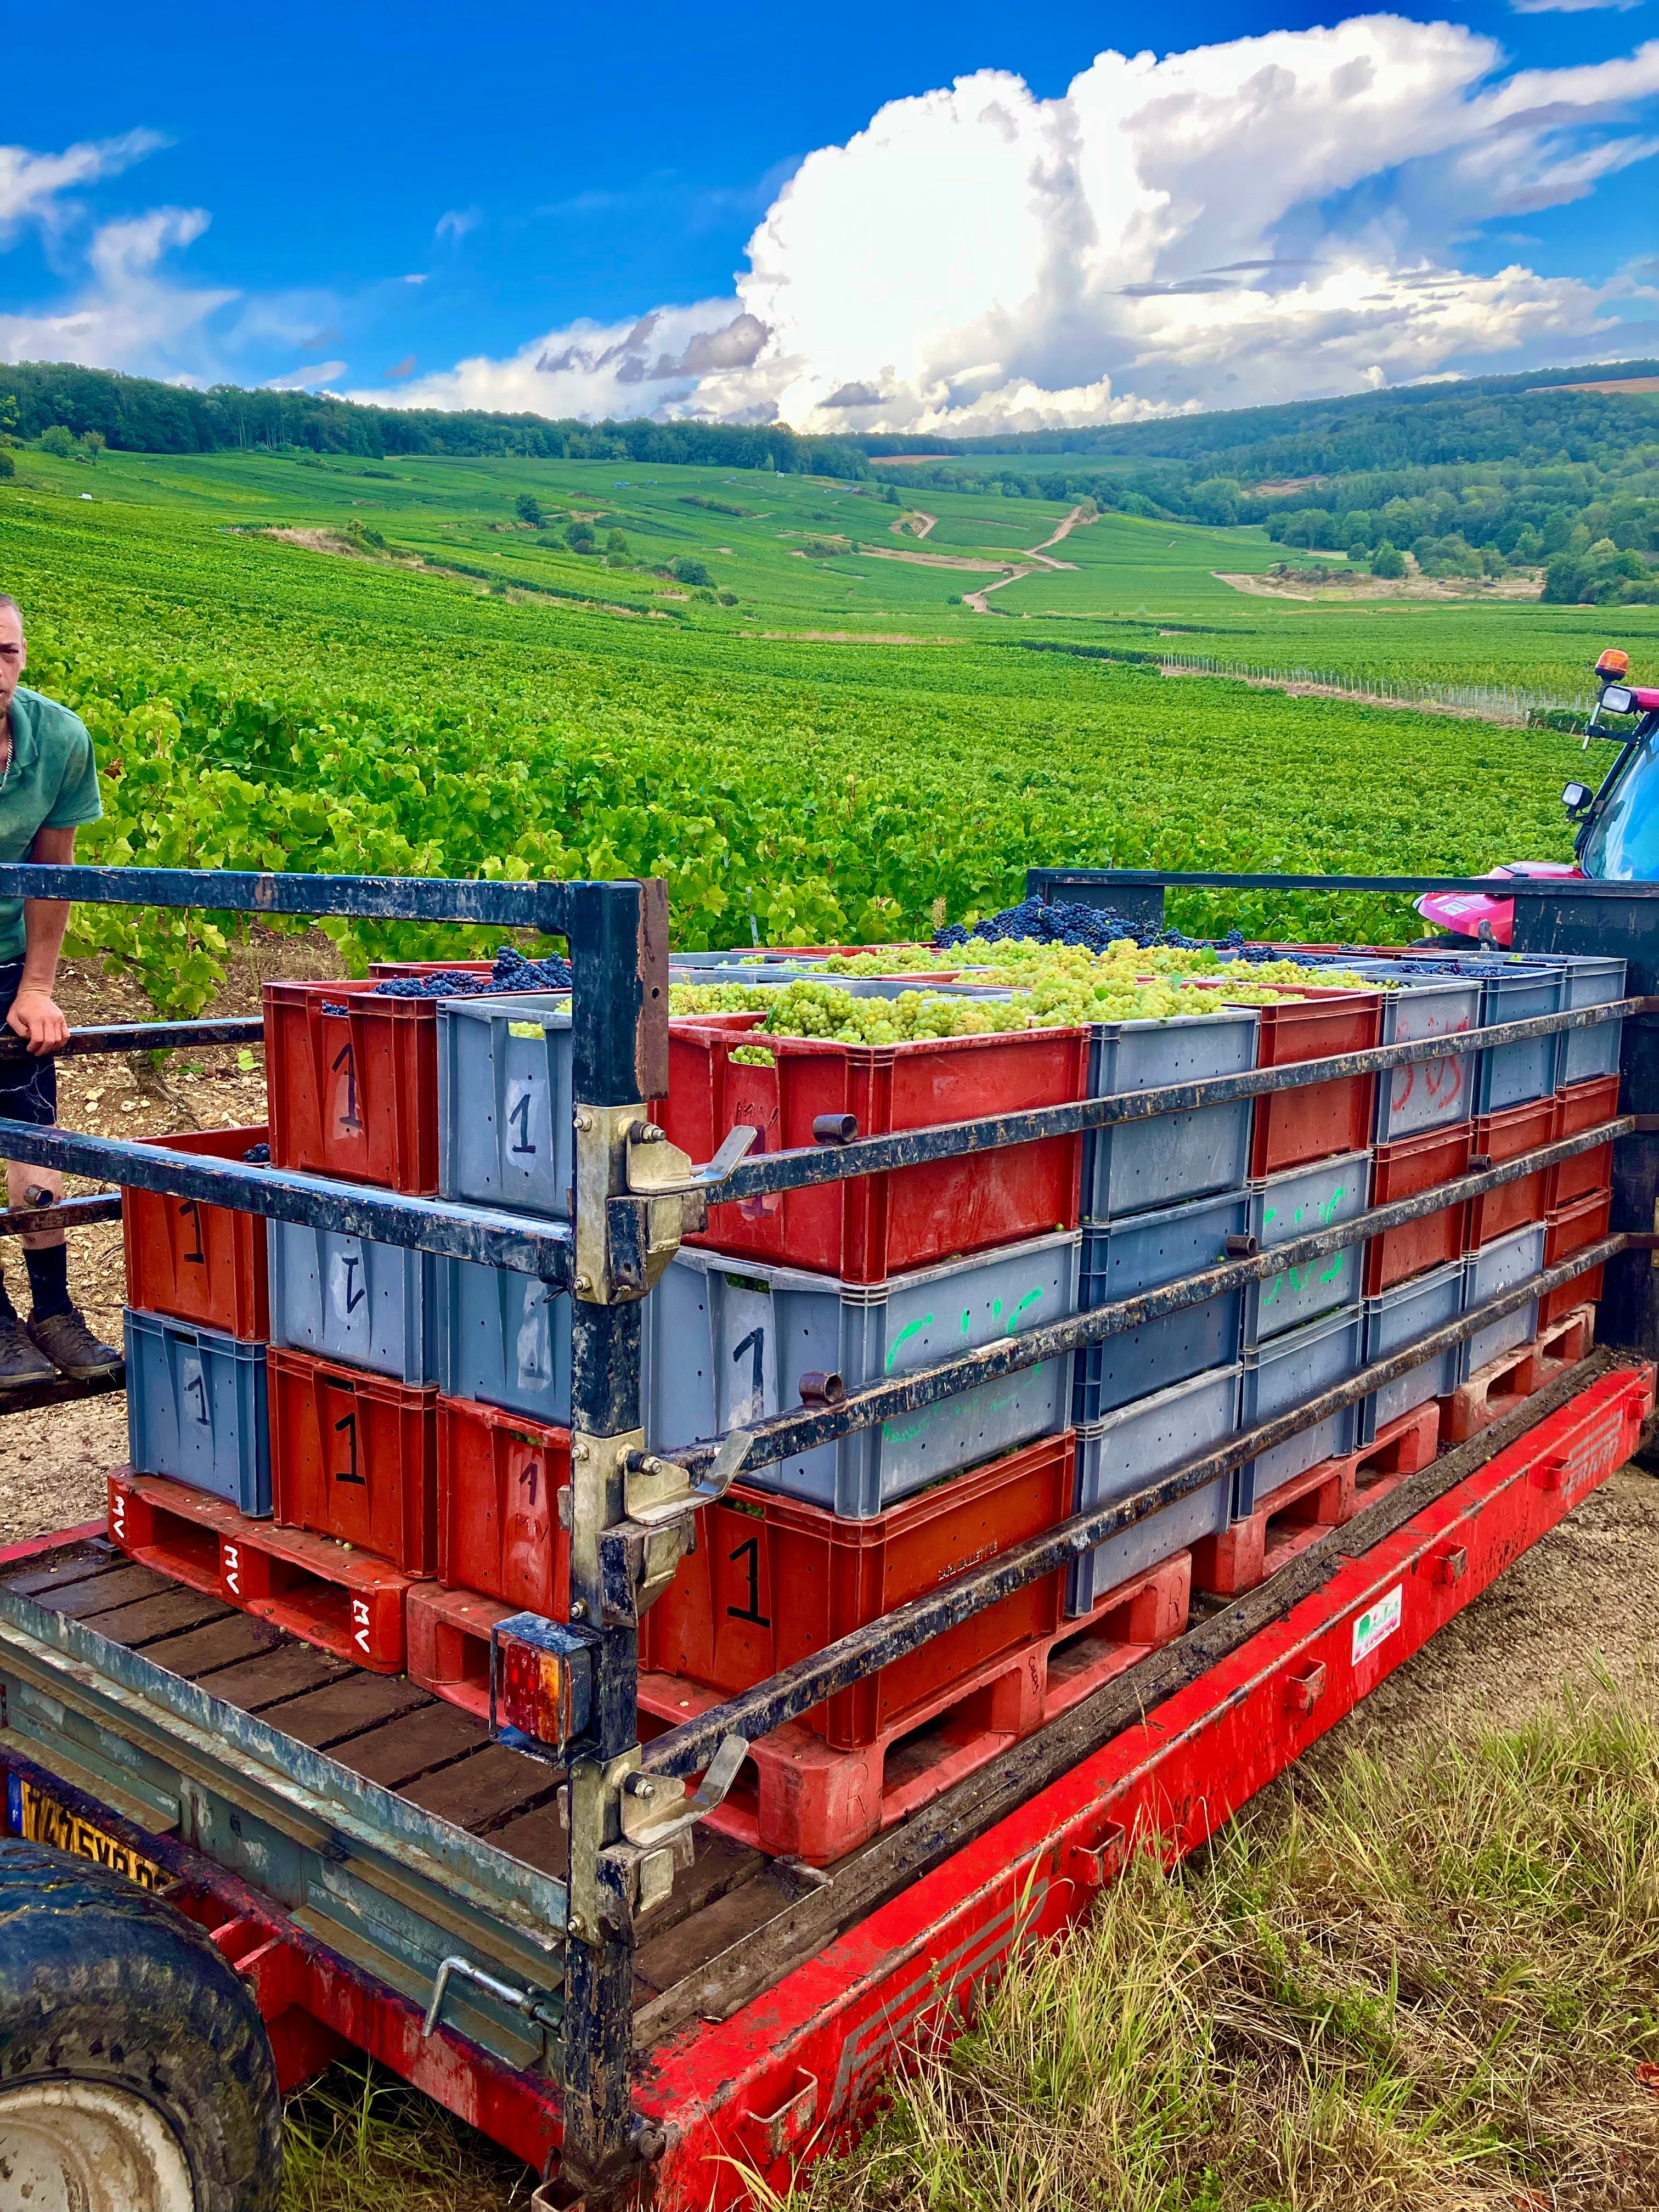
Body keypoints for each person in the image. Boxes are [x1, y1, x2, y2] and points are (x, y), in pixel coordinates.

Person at [0, 594, 121, 1385]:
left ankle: (54, 1312)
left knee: (32, 1131)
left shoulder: (58, 738)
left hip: (8, 955)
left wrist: (38, 985)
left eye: (6, 652)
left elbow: (53, 871)